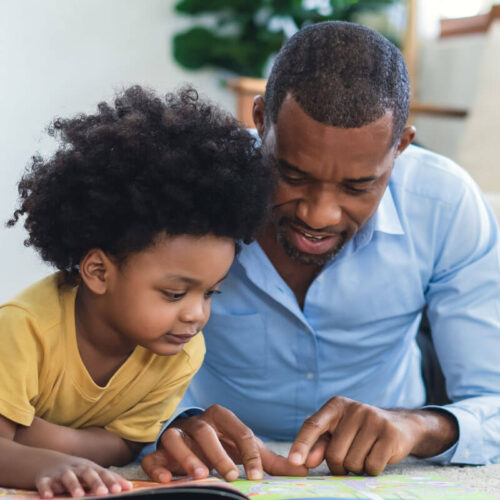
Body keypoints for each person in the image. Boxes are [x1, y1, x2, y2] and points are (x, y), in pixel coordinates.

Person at [141, 21, 500, 481]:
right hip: (219, 460)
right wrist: (174, 422)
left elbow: (490, 399)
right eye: (292, 175)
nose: (319, 215)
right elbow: (102, 348)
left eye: (358, 186)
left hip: (390, 444)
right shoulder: (188, 196)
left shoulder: (446, 205)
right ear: (260, 121)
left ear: (401, 148)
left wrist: (416, 426)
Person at [0, 85, 279, 497]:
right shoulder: (22, 330)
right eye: (173, 294)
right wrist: (51, 461)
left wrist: (33, 437)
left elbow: (125, 443)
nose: (195, 315)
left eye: (209, 294)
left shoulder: (181, 352)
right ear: (98, 271)